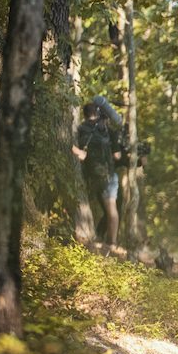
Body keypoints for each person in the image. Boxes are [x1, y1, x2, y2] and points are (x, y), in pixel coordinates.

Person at [71, 94, 124, 248]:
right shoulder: (107, 130)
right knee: (112, 209)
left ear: (85, 114)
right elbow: (117, 155)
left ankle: (91, 236)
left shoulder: (82, 129)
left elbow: (82, 155)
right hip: (110, 175)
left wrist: (69, 146)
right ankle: (112, 243)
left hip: (92, 176)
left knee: (86, 204)